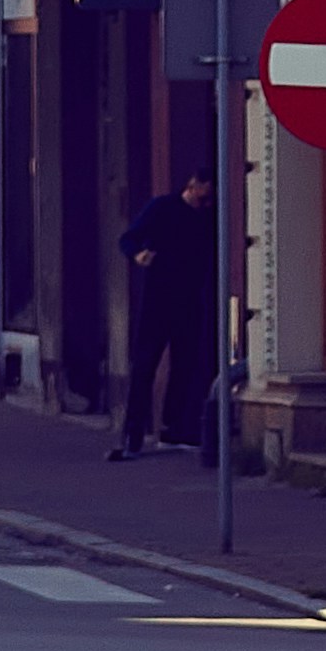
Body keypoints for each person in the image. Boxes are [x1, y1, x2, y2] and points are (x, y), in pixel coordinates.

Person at [111, 158, 218, 461]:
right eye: (203, 196)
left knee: (185, 363)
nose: (206, 203)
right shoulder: (162, 207)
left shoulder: (206, 218)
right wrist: (139, 254)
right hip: (158, 298)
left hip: (190, 299)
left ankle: (173, 430)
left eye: (210, 199)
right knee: (145, 363)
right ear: (192, 186)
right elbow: (128, 238)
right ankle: (133, 434)